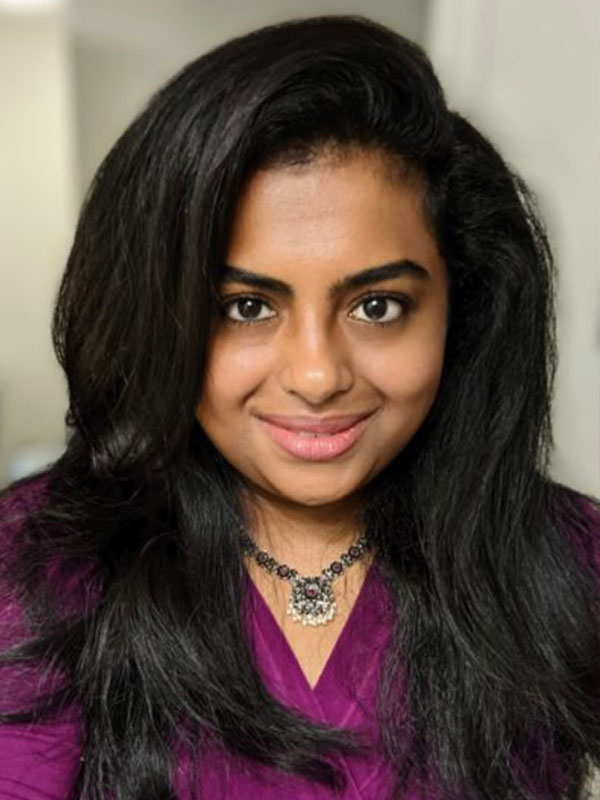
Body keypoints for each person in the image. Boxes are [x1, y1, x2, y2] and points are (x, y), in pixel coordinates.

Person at [0, 14, 598, 800]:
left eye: (378, 306)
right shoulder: (35, 568)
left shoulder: (570, 562)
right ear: (160, 316)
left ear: (464, 306)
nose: (317, 377)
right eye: (246, 307)